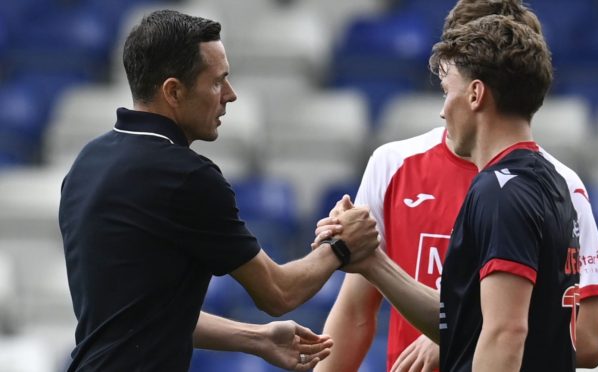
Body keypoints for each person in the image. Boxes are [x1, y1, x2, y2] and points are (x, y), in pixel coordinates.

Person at [58, 10, 380, 372]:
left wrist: (257, 339)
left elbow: (138, 317)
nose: (230, 95)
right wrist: (341, 246)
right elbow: (279, 292)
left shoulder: (87, 162)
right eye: (217, 82)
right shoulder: (186, 176)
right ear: (174, 91)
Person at [315, 1, 598, 371]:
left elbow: (577, 339)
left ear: (477, 89)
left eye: (447, 86)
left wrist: (464, 333)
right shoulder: (393, 164)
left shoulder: (536, 187)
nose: (442, 107)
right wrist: (372, 262)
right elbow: (355, 313)